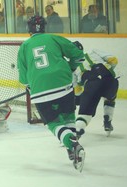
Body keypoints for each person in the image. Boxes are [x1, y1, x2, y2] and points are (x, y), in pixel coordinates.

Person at [17, 15, 86, 172]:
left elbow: (23, 78)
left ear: (28, 29)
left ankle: (73, 145)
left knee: (54, 123)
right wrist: (69, 68)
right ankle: (71, 147)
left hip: (41, 91)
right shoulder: (55, 38)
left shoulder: (24, 47)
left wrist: (29, 85)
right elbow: (79, 56)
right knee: (69, 117)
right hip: (64, 85)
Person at [73, 42, 119, 138]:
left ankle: (78, 130)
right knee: (110, 98)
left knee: (85, 113)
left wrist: (79, 99)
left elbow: (77, 89)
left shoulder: (72, 67)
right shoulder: (94, 52)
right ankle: (107, 121)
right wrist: (109, 71)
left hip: (92, 83)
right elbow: (113, 60)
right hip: (109, 79)